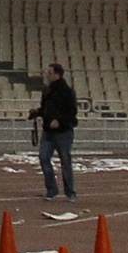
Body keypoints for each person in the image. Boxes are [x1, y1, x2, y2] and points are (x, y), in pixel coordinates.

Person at [34, 63, 79, 200]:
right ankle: (52, 190)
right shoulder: (47, 91)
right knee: (43, 158)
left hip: (63, 132)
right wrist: (37, 113)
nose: (47, 75)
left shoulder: (67, 91)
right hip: (48, 131)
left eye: (49, 72)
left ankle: (70, 192)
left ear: (56, 74)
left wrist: (59, 121)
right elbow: (44, 109)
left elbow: (72, 112)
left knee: (65, 161)